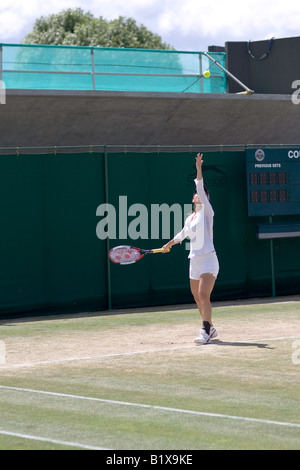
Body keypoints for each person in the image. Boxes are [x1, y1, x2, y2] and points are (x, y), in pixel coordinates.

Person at [162, 153, 219, 344]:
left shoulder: (207, 212)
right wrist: (169, 244)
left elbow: (201, 189)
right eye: (196, 194)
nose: (198, 195)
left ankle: (205, 331)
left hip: (208, 259)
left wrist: (199, 170)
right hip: (193, 260)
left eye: (202, 194)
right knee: (196, 297)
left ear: (206, 198)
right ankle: (210, 327)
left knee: (204, 294)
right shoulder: (191, 218)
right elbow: (182, 234)